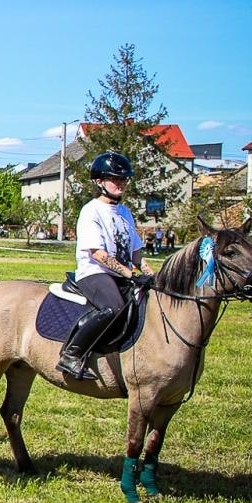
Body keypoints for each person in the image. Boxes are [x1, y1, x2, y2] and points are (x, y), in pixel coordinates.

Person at [57, 151, 152, 381]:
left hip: (120, 275)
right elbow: (97, 253)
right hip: (94, 273)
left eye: (124, 179)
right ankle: (71, 355)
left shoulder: (125, 212)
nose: (121, 183)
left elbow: (136, 252)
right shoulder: (91, 210)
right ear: (99, 182)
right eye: (115, 178)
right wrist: (130, 274)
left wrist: (150, 274)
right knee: (113, 307)